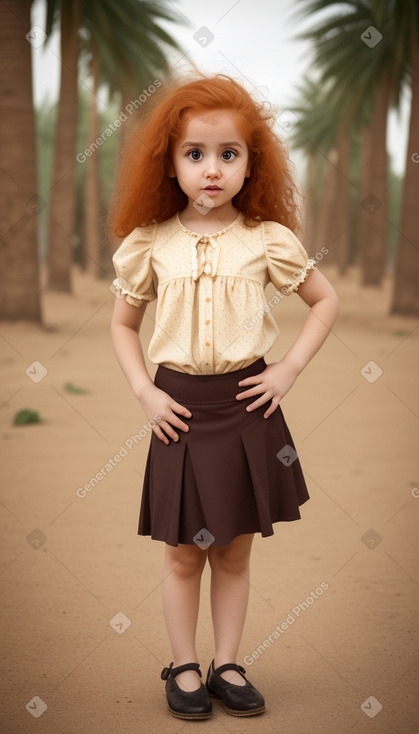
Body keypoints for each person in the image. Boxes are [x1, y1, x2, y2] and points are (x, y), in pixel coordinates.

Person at [109, 73, 339, 721]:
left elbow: (324, 301)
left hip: (246, 408)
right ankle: (183, 665)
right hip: (176, 410)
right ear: (171, 163)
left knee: (233, 547)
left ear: (249, 164)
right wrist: (144, 394)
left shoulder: (267, 239)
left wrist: (287, 369)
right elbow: (123, 326)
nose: (212, 169)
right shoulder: (148, 243)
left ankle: (228, 662)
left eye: (228, 154)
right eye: (195, 154)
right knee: (183, 552)